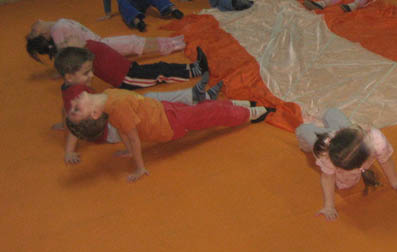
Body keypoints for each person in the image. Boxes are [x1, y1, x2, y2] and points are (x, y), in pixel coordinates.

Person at [65, 89, 272, 182]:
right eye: (76, 110)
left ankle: (238, 104)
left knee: (205, 108)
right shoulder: (116, 107)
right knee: (210, 114)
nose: (73, 103)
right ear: (94, 114)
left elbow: (120, 129)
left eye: (72, 107)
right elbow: (132, 136)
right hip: (169, 124)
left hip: (163, 109)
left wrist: (127, 150)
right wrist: (139, 167)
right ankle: (252, 113)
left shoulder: (107, 96)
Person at [57, 49, 223, 164]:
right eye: (86, 73)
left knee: (151, 99)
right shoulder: (78, 95)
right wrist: (69, 150)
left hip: (111, 120)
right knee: (157, 105)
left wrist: (64, 123)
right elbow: (74, 121)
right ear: (69, 77)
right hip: (110, 129)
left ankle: (195, 94)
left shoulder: (70, 89)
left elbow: (66, 109)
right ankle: (199, 96)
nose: (92, 75)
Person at [295, 108, 397, 220]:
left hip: (344, 136)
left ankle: (329, 113)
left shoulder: (375, 139)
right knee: (305, 131)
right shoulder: (327, 154)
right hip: (328, 143)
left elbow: (386, 160)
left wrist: (395, 181)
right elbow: (327, 178)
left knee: (335, 115)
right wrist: (329, 206)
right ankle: (306, 127)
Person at [53, 42, 207, 92]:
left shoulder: (86, 48)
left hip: (130, 69)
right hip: (128, 79)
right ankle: (195, 71)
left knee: (161, 66)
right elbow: (80, 80)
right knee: (161, 73)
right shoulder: (83, 57)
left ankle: (192, 67)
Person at [26, 18, 185, 60]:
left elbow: (63, 53)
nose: (35, 26)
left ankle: (174, 43)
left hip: (101, 45)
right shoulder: (58, 27)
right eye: (33, 31)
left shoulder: (57, 27)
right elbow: (64, 53)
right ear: (43, 35)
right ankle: (174, 44)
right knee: (135, 44)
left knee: (135, 43)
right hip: (100, 46)